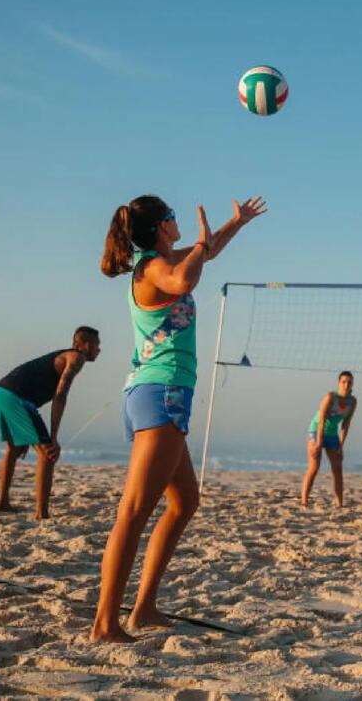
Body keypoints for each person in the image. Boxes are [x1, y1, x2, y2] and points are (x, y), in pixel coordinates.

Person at [90, 193, 266, 643]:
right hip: (159, 393)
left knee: (185, 501)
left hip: (162, 394)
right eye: (172, 214)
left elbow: (202, 257)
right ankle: (104, 623)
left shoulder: (166, 261)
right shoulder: (152, 268)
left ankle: (144, 608)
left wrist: (234, 225)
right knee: (132, 512)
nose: (178, 219)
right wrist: (203, 247)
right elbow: (185, 280)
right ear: (163, 225)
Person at [0, 327, 101, 518]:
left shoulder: (64, 355)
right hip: (16, 398)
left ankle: (3, 503)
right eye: (97, 345)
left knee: (15, 449)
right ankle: (42, 513)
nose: (99, 350)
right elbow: (60, 395)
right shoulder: (76, 359)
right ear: (86, 344)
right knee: (48, 453)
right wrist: (54, 437)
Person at [300, 371, 357, 507]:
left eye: (349, 382)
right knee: (314, 467)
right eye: (343, 382)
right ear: (339, 383)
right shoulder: (330, 397)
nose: (346, 385)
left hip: (332, 434)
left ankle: (339, 504)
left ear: (352, 385)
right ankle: (304, 501)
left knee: (338, 468)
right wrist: (319, 443)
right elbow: (321, 421)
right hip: (316, 431)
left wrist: (340, 446)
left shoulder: (352, 402)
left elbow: (346, 424)